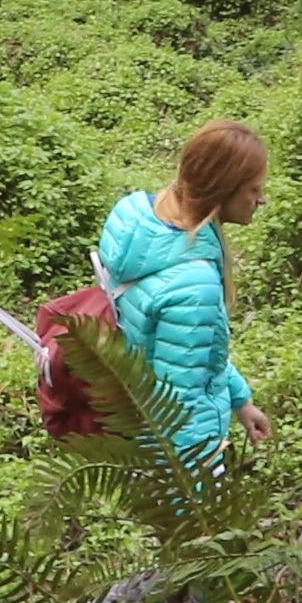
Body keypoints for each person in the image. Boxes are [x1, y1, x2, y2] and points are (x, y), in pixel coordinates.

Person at [95, 120, 271, 472]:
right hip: (176, 456)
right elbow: (180, 403)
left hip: (133, 419)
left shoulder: (140, 221)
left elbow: (183, 353)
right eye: (253, 189)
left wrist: (240, 399)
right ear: (223, 190)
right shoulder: (195, 283)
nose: (261, 199)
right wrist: (196, 493)